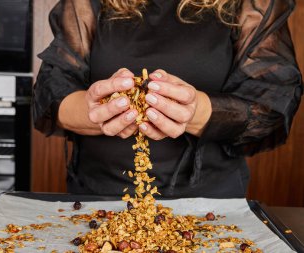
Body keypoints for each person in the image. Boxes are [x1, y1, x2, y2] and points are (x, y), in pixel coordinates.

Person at [32, 0, 302, 198]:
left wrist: (197, 111)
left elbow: (274, 101)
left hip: (209, 204)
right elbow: (51, 90)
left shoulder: (252, 4)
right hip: (97, 196)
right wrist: (94, 110)